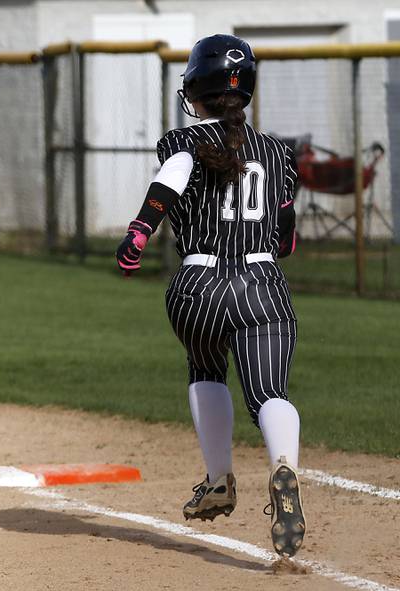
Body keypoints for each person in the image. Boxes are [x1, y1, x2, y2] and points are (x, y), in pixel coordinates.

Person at [115, 34, 305, 557]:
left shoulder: (184, 140)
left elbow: (173, 180)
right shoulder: (279, 153)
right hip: (262, 285)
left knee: (205, 368)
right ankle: (283, 467)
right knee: (269, 394)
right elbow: (285, 242)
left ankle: (219, 476)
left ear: (196, 89)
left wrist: (138, 231)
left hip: (198, 284)